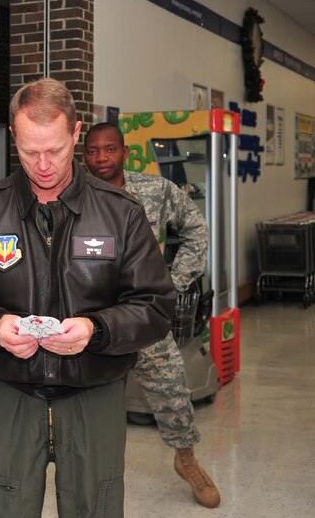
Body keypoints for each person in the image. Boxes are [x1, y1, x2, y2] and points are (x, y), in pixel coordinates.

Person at [0, 78, 175, 518]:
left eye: (55, 150)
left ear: (76, 134)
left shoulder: (121, 213)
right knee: (2, 508)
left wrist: (96, 330)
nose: (42, 165)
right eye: (29, 151)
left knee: (94, 506)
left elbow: (155, 306)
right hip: (10, 391)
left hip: (94, 391)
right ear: (14, 138)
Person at [83, 121, 221, 508]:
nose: (101, 158)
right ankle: (87, 472)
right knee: (87, 399)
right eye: (93, 151)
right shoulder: (71, 193)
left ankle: (186, 459)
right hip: (88, 317)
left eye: (110, 149)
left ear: (124, 152)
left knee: (171, 389)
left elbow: (196, 229)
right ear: (83, 156)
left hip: (142, 313)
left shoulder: (155, 190)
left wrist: (173, 283)